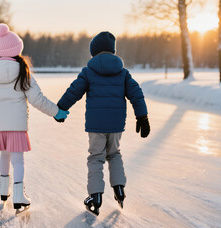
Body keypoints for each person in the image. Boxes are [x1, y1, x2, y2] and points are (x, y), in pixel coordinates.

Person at [0, 23, 69, 214]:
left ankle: (3, 191)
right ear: (17, 50)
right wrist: (56, 112)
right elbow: (37, 99)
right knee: (18, 160)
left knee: (4, 155)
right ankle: (18, 196)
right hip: (16, 126)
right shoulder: (23, 72)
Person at [56, 31, 150, 216]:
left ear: (94, 52)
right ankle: (119, 189)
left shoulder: (89, 72)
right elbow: (136, 95)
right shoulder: (123, 73)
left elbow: (73, 91)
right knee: (114, 154)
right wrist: (142, 117)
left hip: (96, 125)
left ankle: (96, 196)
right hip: (116, 125)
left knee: (96, 157)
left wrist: (60, 109)